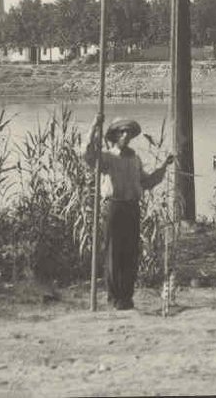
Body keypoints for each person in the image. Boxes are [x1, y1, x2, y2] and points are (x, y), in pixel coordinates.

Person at [85, 115, 173, 310]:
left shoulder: (134, 159)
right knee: (114, 253)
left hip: (132, 208)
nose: (125, 135)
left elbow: (147, 182)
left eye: (128, 133)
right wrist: (94, 126)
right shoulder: (107, 157)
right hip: (114, 208)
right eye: (121, 132)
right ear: (115, 136)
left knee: (131, 252)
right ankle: (114, 297)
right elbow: (88, 156)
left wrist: (164, 166)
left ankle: (126, 297)